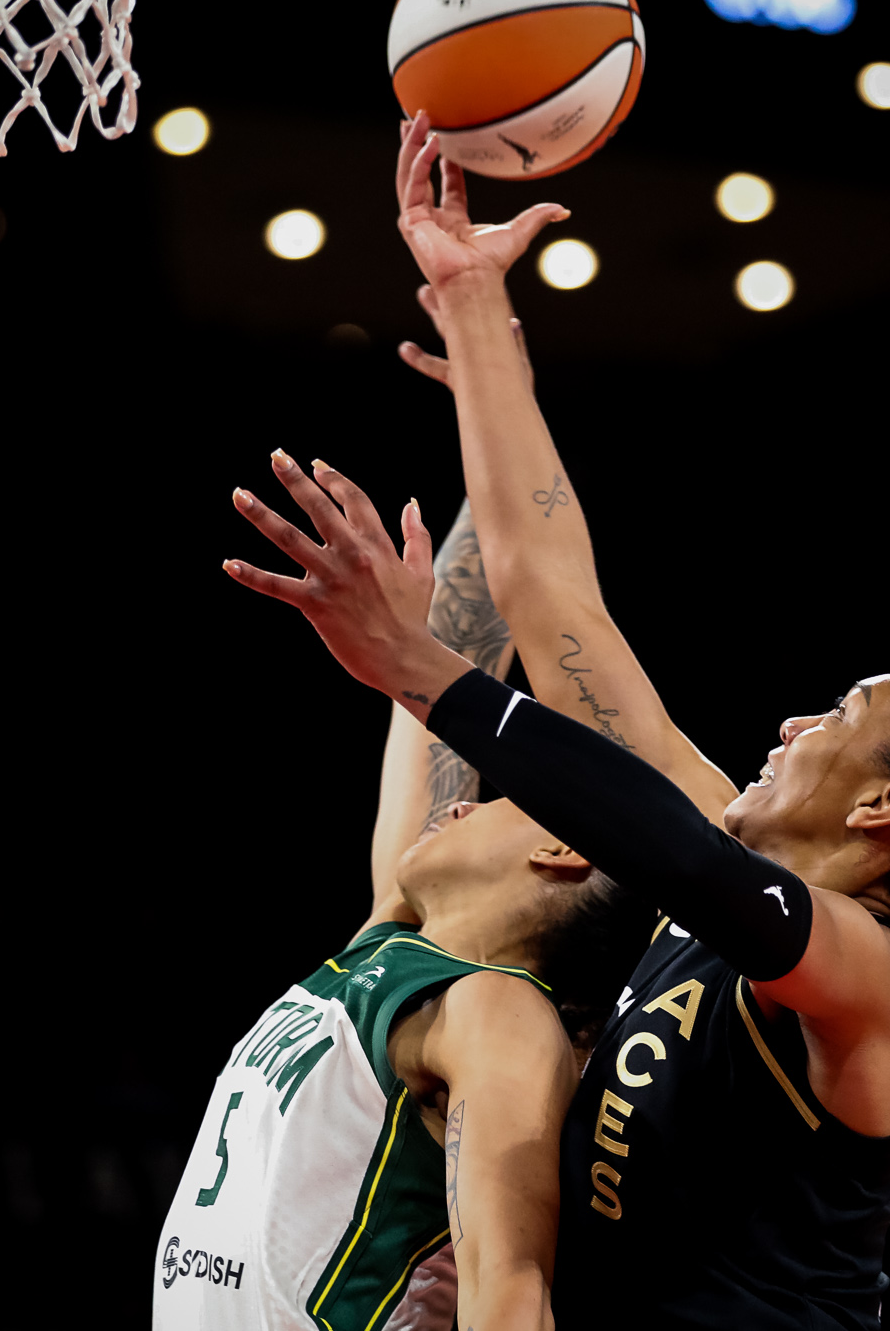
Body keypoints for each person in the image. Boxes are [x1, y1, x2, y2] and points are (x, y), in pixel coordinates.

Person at [220, 113, 890, 1330]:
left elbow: (676, 855)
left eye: (840, 714)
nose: (794, 721)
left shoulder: (875, 991)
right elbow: (549, 594)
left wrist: (429, 674)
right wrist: (473, 304)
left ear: (886, 806)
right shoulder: (716, 874)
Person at [153, 489, 654, 1331]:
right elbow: (452, 653)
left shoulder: (501, 1012)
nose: (462, 802)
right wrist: (489, 401)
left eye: (498, 799)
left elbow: (511, 1297)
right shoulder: (390, 951)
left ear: (562, 849)